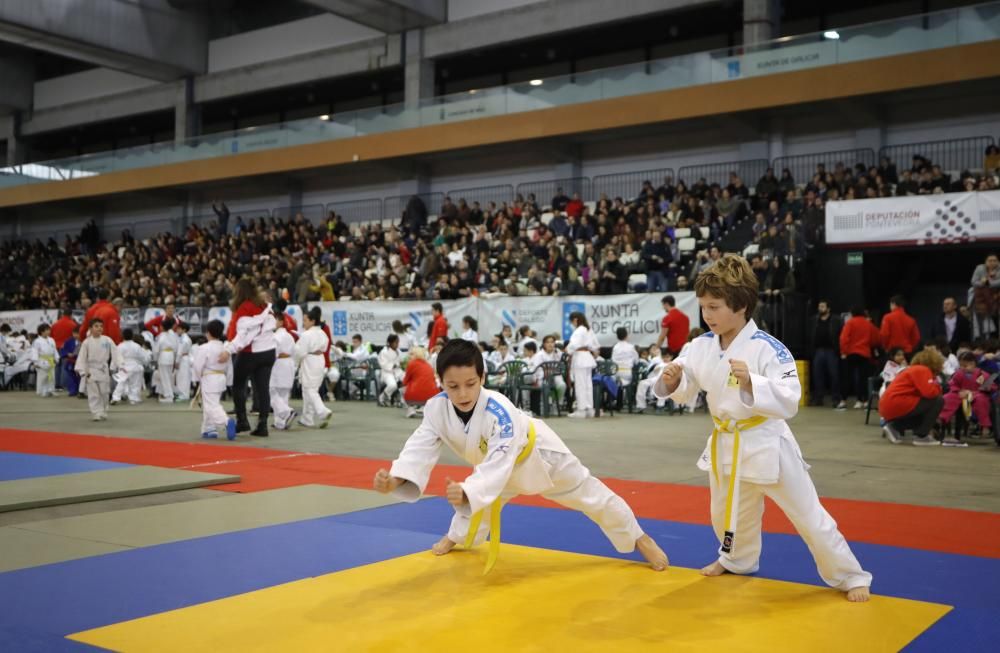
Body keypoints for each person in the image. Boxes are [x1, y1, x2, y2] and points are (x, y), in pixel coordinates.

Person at [653, 254, 872, 602]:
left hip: (768, 442)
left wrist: (752, 383)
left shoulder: (771, 349)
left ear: (740, 306)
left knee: (808, 515)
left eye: (714, 307)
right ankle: (737, 560)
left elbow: (790, 397)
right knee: (727, 512)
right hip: (726, 441)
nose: (707, 315)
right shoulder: (700, 346)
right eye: (703, 307)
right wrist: (671, 379)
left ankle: (850, 575)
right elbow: (684, 385)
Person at [372, 339, 668, 573]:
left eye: (470, 384)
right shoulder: (436, 409)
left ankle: (639, 537)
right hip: (495, 469)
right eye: (453, 386)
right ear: (441, 382)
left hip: (540, 456)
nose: (462, 393)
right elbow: (419, 447)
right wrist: (396, 479)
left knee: (591, 495)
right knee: (479, 501)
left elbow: (498, 466)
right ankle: (456, 538)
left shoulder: (498, 411)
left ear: (482, 377)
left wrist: (468, 491)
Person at [222, 279, 278, 437]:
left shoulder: (243, 308)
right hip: (269, 351)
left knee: (238, 385)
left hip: (250, 352)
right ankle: (263, 424)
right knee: (263, 388)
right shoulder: (264, 305)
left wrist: (229, 349)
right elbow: (272, 325)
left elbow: (243, 336)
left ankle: (242, 420)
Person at [879, 348, 945, 446]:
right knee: (938, 401)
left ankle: (893, 427)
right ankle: (921, 436)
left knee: (922, 414)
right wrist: (938, 386)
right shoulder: (923, 370)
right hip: (897, 402)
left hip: (887, 405)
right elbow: (930, 393)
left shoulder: (912, 369)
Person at [938, 351, 995, 447]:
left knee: (981, 401)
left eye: (965, 366)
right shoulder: (958, 373)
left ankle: (985, 426)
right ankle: (942, 418)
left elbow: (988, 387)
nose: (962, 368)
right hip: (960, 394)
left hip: (977, 394)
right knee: (948, 397)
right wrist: (959, 391)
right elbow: (953, 384)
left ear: (973, 364)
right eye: (961, 365)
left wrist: (972, 393)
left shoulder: (981, 374)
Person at [193, 320, 236, 440]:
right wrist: (229, 381)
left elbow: (197, 366)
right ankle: (209, 429)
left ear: (208, 333)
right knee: (211, 403)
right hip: (220, 377)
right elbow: (229, 367)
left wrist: (197, 378)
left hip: (209, 378)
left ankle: (226, 422)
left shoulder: (204, 348)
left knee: (211, 405)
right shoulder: (225, 348)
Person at [75, 319, 121, 421]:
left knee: (104, 392)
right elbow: (82, 357)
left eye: (101, 326)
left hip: (103, 369)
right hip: (91, 370)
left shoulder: (107, 340)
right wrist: (82, 371)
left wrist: (118, 365)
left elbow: (115, 353)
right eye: (96, 326)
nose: (99, 328)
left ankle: (104, 410)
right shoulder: (86, 343)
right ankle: (96, 412)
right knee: (93, 393)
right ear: (90, 329)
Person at [294, 306, 332, 429]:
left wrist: (295, 364)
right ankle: (307, 419)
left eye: (305, 320)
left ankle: (323, 411)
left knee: (309, 389)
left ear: (312, 321)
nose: (303, 323)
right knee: (309, 389)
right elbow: (326, 348)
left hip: (309, 361)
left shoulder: (306, 335)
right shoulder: (322, 333)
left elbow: (300, 352)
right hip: (320, 360)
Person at [839, 306, 880, 409]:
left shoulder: (850, 323)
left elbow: (844, 338)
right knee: (863, 378)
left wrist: (844, 351)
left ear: (852, 313)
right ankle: (863, 400)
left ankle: (843, 401)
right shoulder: (868, 324)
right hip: (865, 354)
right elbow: (876, 338)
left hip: (851, 353)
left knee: (847, 377)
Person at [809, 300, 844, 409]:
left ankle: (835, 398)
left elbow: (840, 334)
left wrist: (838, 349)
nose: (820, 308)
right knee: (817, 375)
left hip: (831, 351)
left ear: (828, 309)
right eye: (819, 306)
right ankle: (818, 398)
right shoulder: (814, 320)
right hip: (818, 351)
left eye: (823, 306)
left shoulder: (836, 320)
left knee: (834, 375)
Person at [566, 312, 600, 418]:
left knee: (580, 385)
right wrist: (593, 352)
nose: (572, 324)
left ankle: (581, 410)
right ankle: (590, 409)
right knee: (588, 384)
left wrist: (567, 350)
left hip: (580, 358)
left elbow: (573, 345)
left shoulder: (579, 330)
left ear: (575, 320)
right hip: (587, 356)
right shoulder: (588, 329)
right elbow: (596, 345)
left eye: (572, 322)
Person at [269, 307, 298, 431]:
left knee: (272, 392)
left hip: (279, 364)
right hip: (289, 363)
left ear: (280, 321)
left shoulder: (276, 336)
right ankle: (280, 423)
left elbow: (273, 353)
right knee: (283, 394)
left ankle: (287, 412)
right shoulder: (290, 336)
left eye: (273, 320)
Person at [111, 329, 149, 405]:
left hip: (124, 366)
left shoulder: (120, 346)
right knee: (135, 384)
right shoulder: (136, 346)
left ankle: (116, 397)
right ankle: (134, 399)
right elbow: (143, 357)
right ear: (132, 336)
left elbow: (115, 358)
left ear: (123, 336)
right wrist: (146, 363)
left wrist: (112, 367)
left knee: (121, 383)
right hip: (135, 366)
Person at [401, 346, 439, 418]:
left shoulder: (412, 364)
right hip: (431, 396)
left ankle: (410, 408)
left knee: (402, 389)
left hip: (415, 395)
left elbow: (405, 381)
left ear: (416, 355)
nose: (409, 356)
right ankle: (424, 408)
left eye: (411, 354)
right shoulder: (428, 365)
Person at [153, 317, 179, 403]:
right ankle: (169, 394)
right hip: (171, 356)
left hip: (163, 356)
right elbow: (176, 347)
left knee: (165, 377)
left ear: (162, 327)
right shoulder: (173, 335)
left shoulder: (161, 336)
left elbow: (156, 349)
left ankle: (168, 396)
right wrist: (175, 358)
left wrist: (155, 359)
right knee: (168, 377)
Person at [30, 324, 57, 397]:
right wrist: (35, 362)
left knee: (51, 376)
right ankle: (42, 391)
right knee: (43, 376)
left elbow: (54, 350)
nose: (49, 331)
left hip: (51, 359)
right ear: (41, 332)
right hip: (42, 361)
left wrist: (56, 358)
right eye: (47, 330)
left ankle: (51, 390)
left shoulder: (51, 339)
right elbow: (34, 351)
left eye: (49, 330)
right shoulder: (37, 341)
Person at [378, 334, 404, 407]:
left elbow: (401, 360)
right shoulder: (384, 352)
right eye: (396, 342)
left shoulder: (398, 351)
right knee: (393, 385)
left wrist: (403, 363)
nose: (397, 344)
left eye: (398, 342)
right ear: (390, 343)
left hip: (398, 371)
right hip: (387, 373)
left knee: (407, 380)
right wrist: (394, 365)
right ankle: (382, 398)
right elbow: (383, 364)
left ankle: (402, 400)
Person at [59, 327, 81, 397]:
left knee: (80, 377)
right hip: (70, 362)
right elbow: (63, 349)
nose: (76, 335)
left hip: (80, 362)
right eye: (75, 333)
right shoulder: (68, 341)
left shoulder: (84, 341)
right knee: (71, 377)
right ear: (72, 333)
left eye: (78, 333)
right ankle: (72, 391)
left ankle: (80, 391)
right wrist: (67, 354)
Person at [174, 322, 193, 402]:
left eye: (179, 329)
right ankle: (182, 393)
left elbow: (180, 351)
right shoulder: (183, 338)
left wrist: (177, 361)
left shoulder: (184, 339)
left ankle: (184, 395)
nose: (177, 330)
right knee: (181, 377)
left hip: (183, 359)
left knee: (183, 378)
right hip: (184, 358)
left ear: (184, 330)